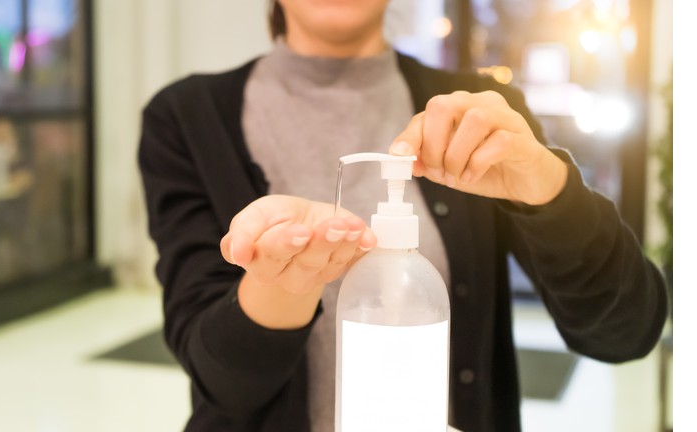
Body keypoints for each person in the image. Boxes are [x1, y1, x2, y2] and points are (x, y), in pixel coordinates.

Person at [138, 1, 668, 431]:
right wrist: (287, 277)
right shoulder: (186, 119)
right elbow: (223, 385)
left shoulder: (481, 111)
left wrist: (549, 188)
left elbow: (626, 333)